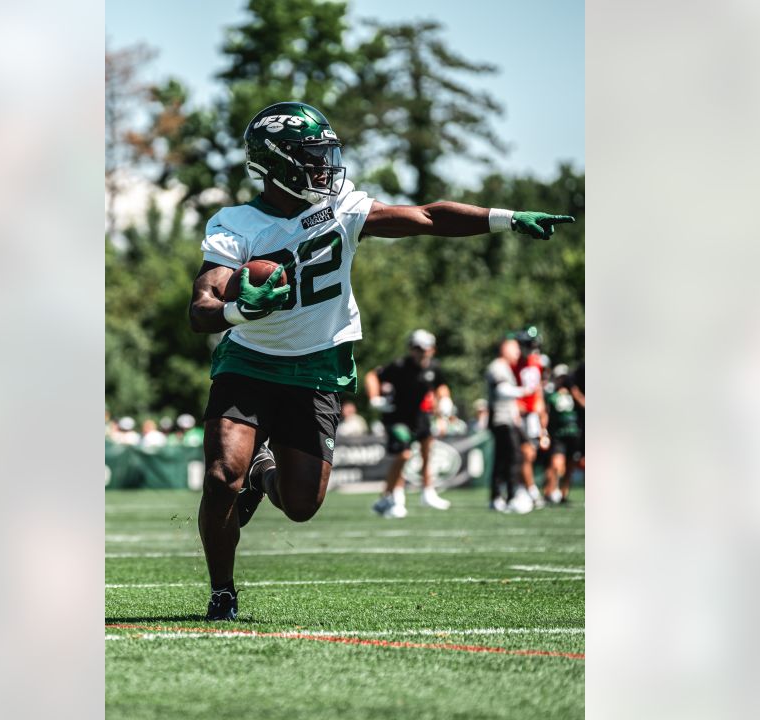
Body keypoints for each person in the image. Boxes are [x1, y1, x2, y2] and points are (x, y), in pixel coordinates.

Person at [188, 101, 574, 620]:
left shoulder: (343, 207)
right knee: (219, 477)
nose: (325, 166)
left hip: (318, 366)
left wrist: (504, 219)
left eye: (326, 154)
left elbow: (428, 217)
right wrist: (238, 309)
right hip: (250, 363)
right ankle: (222, 591)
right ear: (275, 162)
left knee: (301, 505)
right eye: (311, 155)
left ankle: (262, 474)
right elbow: (201, 307)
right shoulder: (235, 223)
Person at [364, 329, 454, 518]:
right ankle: (394, 496)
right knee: (403, 455)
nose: (420, 352)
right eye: (416, 348)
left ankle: (428, 492)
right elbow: (372, 376)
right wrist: (374, 398)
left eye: (424, 348)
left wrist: (445, 400)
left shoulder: (433, 368)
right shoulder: (399, 366)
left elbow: (441, 386)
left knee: (427, 448)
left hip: (419, 416)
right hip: (396, 417)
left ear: (432, 349)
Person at [485, 337, 532, 513]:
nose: (518, 353)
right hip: (500, 419)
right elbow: (501, 390)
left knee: (503, 459)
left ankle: (497, 496)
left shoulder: (506, 368)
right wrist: (524, 391)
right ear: (504, 348)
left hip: (507, 418)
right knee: (513, 456)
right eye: (514, 349)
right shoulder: (498, 366)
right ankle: (512, 496)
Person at [512, 327, 548, 509]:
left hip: (533, 415)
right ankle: (529, 490)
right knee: (525, 454)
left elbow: (539, 391)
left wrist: (542, 418)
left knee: (530, 455)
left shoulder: (537, 363)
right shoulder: (513, 364)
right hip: (519, 414)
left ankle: (523, 488)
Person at [542, 364, 581, 505]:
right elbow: (545, 414)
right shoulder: (551, 396)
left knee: (570, 466)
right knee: (556, 465)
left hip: (574, 433)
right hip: (559, 434)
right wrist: (544, 432)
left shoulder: (574, 394)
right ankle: (550, 492)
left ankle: (563, 494)